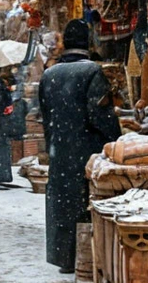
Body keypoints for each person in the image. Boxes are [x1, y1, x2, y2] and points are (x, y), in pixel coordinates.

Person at [38, 20, 122, 273]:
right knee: (85, 204)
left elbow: (45, 115)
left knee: (62, 205)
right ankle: (87, 258)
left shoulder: (49, 74)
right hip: (88, 151)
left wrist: (55, 142)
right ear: (87, 41)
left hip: (60, 151)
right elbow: (100, 114)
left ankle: (65, 258)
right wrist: (116, 140)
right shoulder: (92, 72)